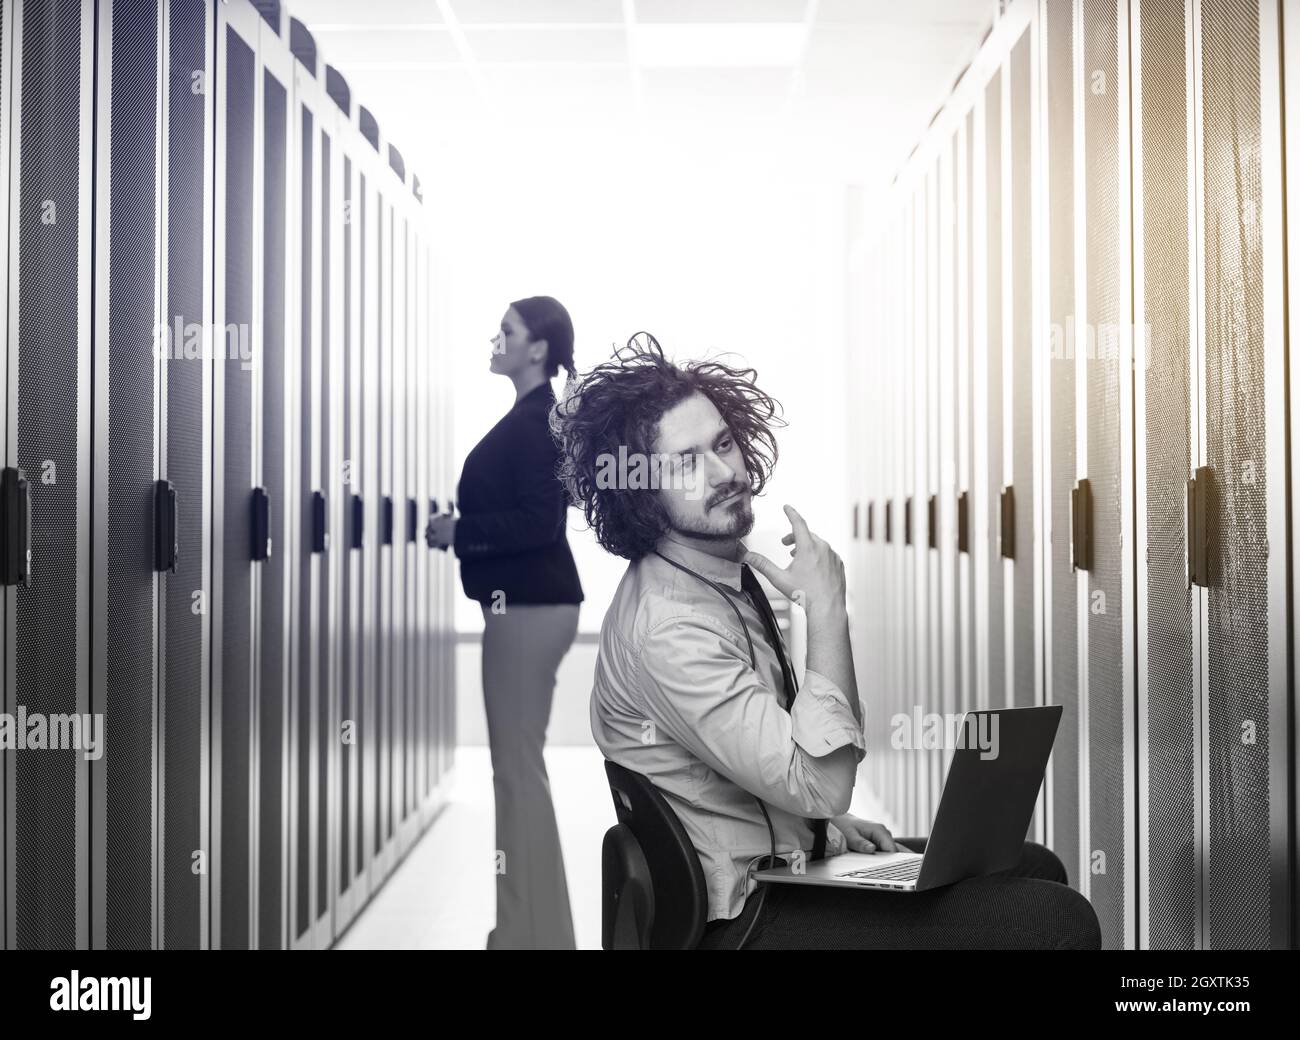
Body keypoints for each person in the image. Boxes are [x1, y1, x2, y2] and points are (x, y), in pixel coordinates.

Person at [550, 333, 1101, 949]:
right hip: (746, 916)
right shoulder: (670, 627)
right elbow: (816, 780)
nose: (725, 472)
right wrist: (828, 610)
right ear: (641, 494)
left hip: (781, 864)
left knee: (1030, 867)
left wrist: (830, 826)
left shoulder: (720, 576)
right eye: (686, 462)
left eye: (724, 444)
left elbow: (771, 758)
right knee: (1054, 920)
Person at [426, 296, 584, 950]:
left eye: (509, 331)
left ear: (539, 349)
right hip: (524, 609)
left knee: (516, 776)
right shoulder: (532, 417)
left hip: (527, 610)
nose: (496, 339)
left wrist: (459, 532)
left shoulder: (540, 419)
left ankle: (526, 936)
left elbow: (538, 523)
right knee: (520, 774)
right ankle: (532, 931)